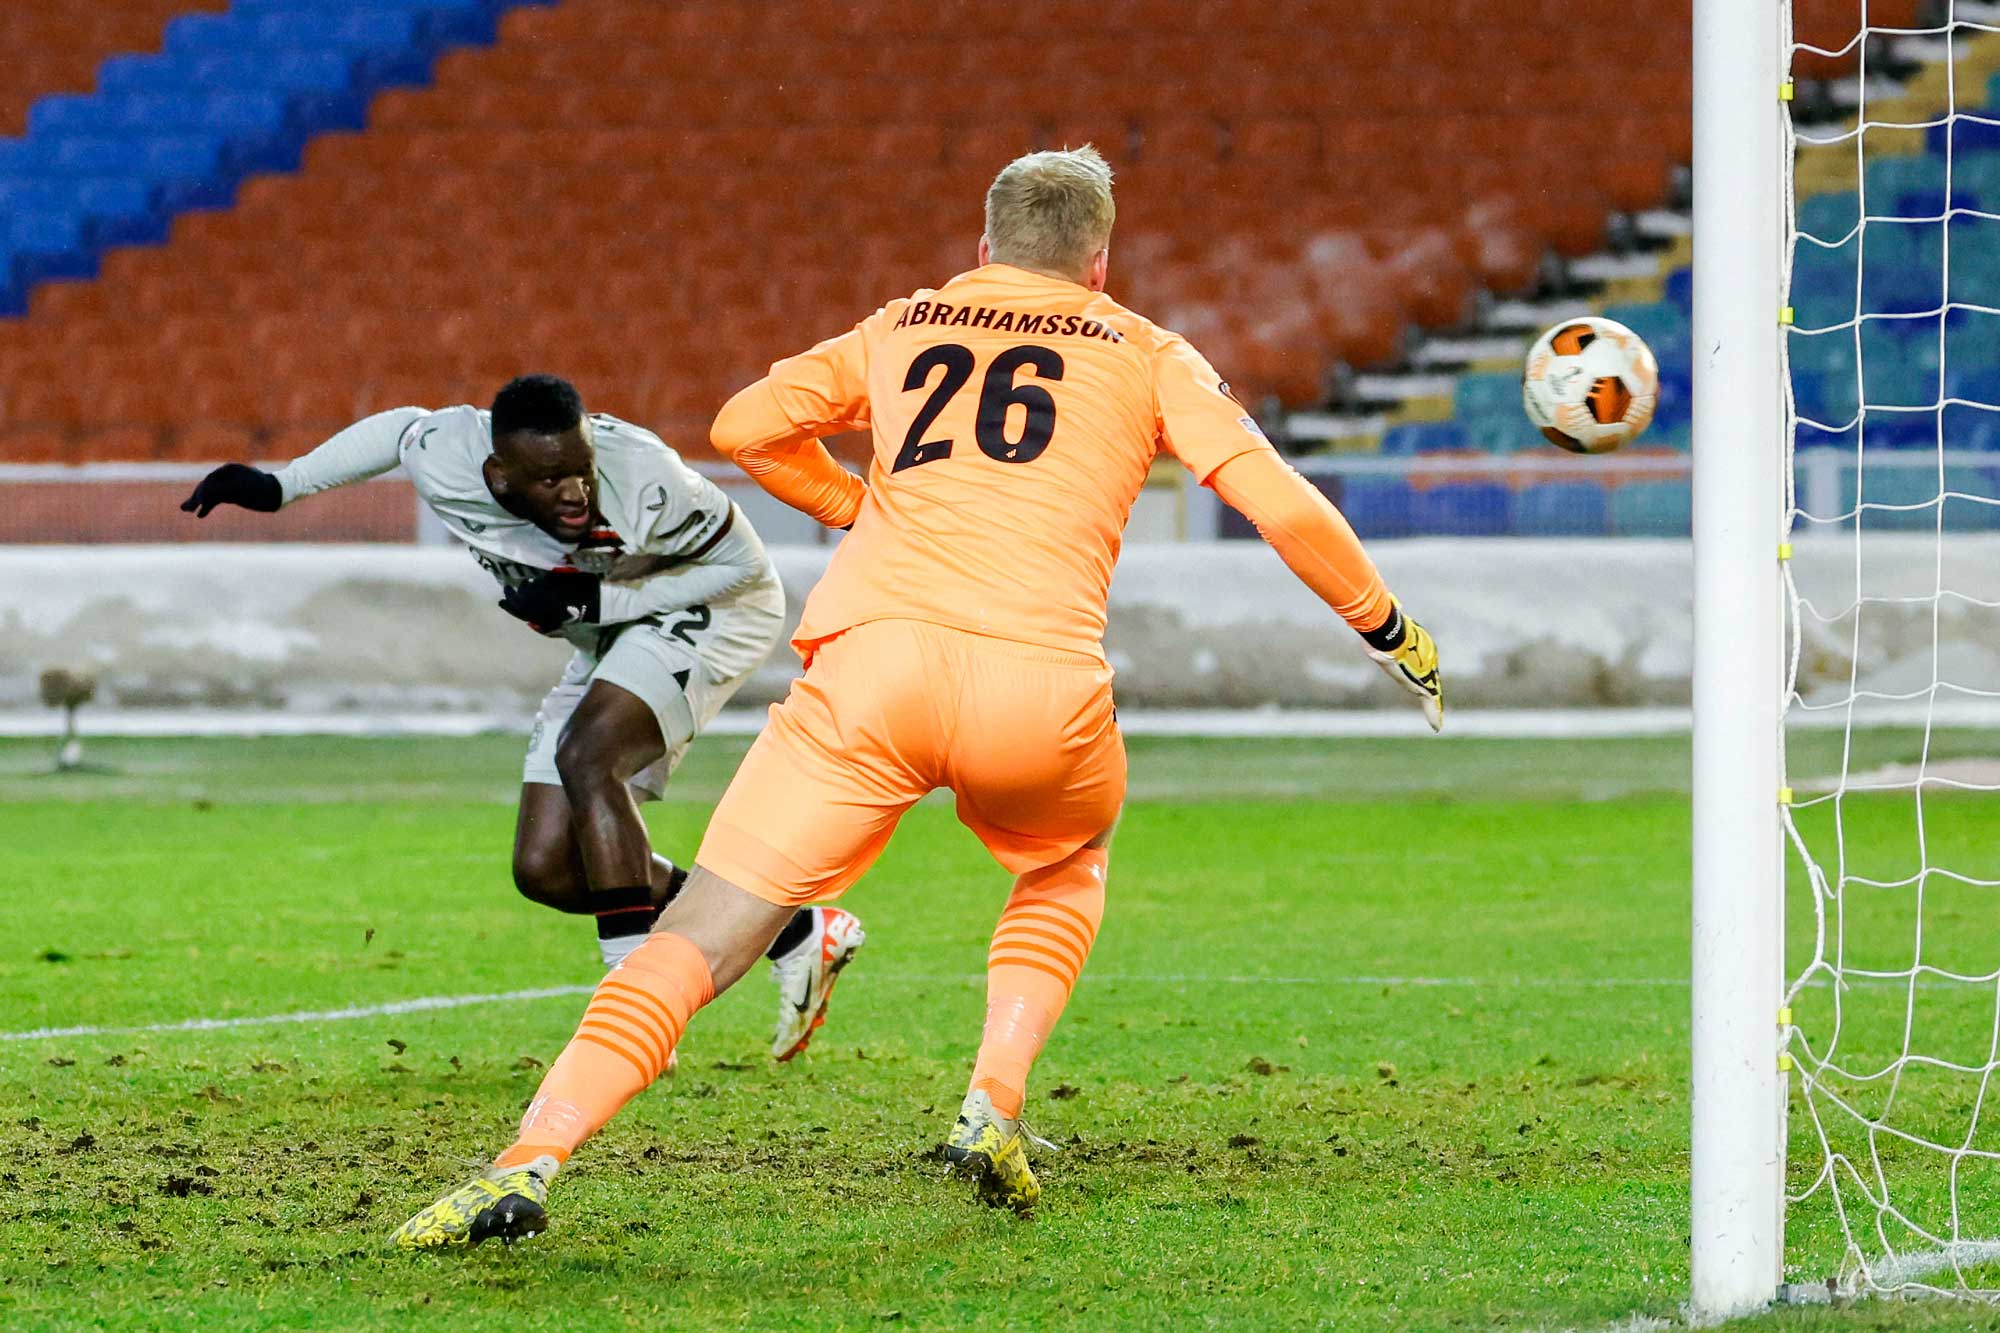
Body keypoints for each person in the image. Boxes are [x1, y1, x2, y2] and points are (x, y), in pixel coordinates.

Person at [391, 149, 1441, 1249]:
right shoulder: (1144, 347)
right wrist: (1388, 630)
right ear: (1098, 263)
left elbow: (744, 425)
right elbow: (1275, 499)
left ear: (982, 249)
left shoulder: (904, 323)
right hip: (1035, 686)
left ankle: (529, 1159)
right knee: (1060, 864)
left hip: (868, 671)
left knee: (698, 937)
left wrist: (856, 506)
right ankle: (991, 1102)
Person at [179, 374, 866, 1062]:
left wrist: (595, 601)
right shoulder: (448, 452)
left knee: (589, 755)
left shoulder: (644, 474)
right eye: (549, 479)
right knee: (546, 867)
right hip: (608, 627)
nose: (573, 492)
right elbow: (398, 430)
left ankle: (632, 1006)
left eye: (580, 469)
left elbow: (742, 567)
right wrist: (281, 486)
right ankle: (794, 933)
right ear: (499, 474)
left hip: (714, 612)